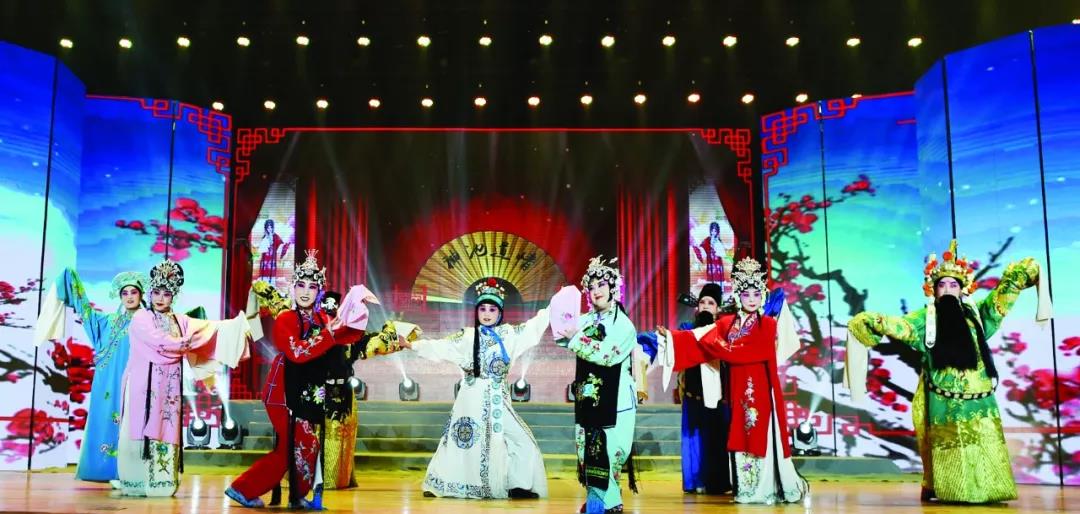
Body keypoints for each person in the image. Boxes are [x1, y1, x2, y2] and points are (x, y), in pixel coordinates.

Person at [845, 240, 1050, 503]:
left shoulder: (977, 315)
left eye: (954, 285)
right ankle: (949, 489)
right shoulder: (925, 319)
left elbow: (1001, 299)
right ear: (934, 290)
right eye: (942, 285)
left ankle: (990, 490)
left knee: (985, 444)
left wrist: (1018, 277)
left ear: (962, 289)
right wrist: (873, 321)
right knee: (950, 446)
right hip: (944, 401)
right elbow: (900, 326)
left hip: (981, 399)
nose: (948, 290)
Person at [226, 251, 372, 509]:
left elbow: (343, 337)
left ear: (319, 291)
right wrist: (328, 335)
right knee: (303, 443)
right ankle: (254, 489)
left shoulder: (321, 319)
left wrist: (355, 313)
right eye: (301, 285)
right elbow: (297, 352)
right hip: (283, 391)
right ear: (292, 288)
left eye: (312, 286)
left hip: (306, 391)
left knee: (298, 446)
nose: (305, 292)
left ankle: (285, 494)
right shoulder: (286, 318)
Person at [658, 257, 807, 505]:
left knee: (758, 431)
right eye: (746, 293)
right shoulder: (727, 324)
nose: (751, 299)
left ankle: (765, 490)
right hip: (737, 390)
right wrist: (672, 338)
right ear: (738, 295)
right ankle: (746, 490)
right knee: (740, 434)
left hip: (760, 388)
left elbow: (748, 351)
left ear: (762, 295)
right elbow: (700, 337)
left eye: (756, 294)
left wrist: (723, 348)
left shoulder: (768, 324)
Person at [398, 277, 549, 499]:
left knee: (522, 438)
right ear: (476, 311)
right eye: (482, 309)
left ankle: (518, 484)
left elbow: (533, 327)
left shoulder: (509, 335)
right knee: (461, 440)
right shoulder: (467, 336)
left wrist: (555, 307)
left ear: (500, 313)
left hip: (498, 399)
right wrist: (412, 345)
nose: (487, 314)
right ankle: (443, 482)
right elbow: (442, 347)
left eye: (492, 309)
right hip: (471, 398)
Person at [115, 259, 252, 497]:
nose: (160, 298)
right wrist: (184, 343)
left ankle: (161, 482)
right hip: (142, 385)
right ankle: (135, 481)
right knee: (139, 426)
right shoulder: (141, 318)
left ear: (174, 296)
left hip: (168, 388)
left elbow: (208, 329)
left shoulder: (180, 320)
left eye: (166, 294)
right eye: (156, 292)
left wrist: (237, 326)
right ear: (150, 293)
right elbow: (158, 341)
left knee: (167, 425)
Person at [34, 269, 147, 482]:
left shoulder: (148, 322)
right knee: (105, 418)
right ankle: (103, 469)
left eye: (134, 292)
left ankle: (131, 473)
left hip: (136, 380)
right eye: (125, 293)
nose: (129, 297)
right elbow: (86, 312)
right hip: (107, 381)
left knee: (133, 424)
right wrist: (72, 282)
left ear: (141, 295)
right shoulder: (108, 322)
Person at [557, 257, 638, 514]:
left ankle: (608, 504)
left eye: (602, 285)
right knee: (587, 451)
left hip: (616, 402)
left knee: (610, 453)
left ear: (613, 288)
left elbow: (607, 355)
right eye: (591, 287)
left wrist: (576, 339)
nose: (596, 291)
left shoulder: (624, 325)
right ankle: (599, 502)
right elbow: (563, 336)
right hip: (589, 397)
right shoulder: (585, 321)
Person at [677, 283, 733, 494]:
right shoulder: (687, 328)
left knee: (717, 438)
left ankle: (718, 481)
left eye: (711, 302)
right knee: (694, 439)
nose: (706, 306)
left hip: (719, 395)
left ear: (718, 308)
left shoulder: (725, 330)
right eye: (702, 302)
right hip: (694, 393)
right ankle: (695, 480)